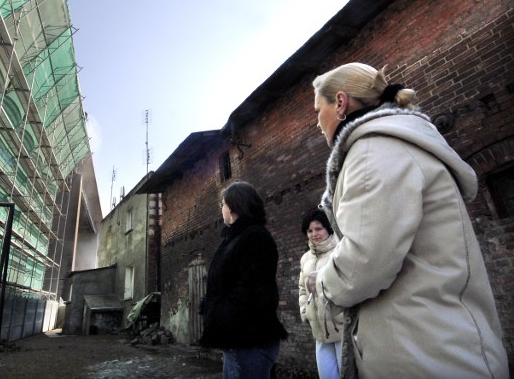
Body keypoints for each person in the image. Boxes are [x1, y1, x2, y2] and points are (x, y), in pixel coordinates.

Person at [306, 62, 508, 378]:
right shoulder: (388, 146)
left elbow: (363, 264)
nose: (317, 122)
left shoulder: (374, 151)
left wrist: (321, 284)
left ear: (341, 103)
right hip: (429, 344)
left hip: (428, 355)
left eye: (319, 110)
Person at [199, 180, 288, 379]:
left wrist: (219, 313)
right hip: (237, 338)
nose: (221, 209)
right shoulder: (235, 238)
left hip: (248, 339)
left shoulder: (255, 237)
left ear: (233, 207)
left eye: (222, 204)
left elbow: (252, 290)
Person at [298, 208, 343, 379]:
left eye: (318, 229)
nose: (314, 234)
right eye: (309, 230)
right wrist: (305, 312)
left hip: (341, 329)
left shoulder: (340, 251)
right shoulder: (305, 258)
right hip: (319, 332)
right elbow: (302, 289)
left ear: (328, 228)